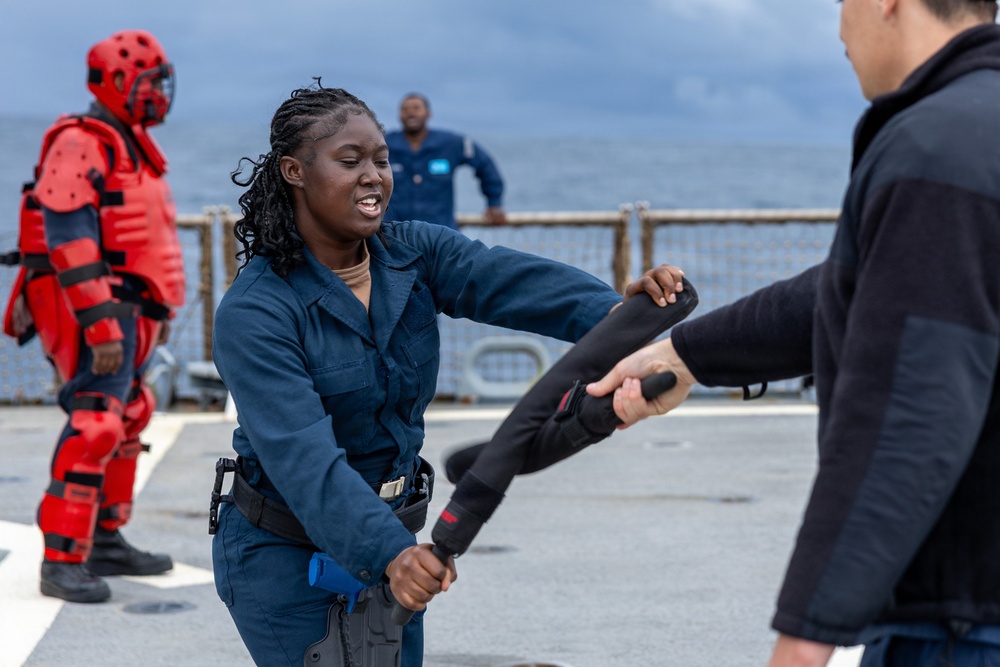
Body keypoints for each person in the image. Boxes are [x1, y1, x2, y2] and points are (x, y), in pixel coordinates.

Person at [209, 82, 684, 667]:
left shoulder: (413, 254)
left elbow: (506, 280)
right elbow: (304, 460)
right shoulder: (256, 312)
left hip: (393, 544)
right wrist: (392, 554)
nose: (374, 177)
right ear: (294, 172)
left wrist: (617, 317)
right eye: (350, 161)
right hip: (286, 557)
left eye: (381, 161)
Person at [588, 1, 1000, 666]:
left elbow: (908, 408)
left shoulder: (937, 145)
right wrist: (685, 354)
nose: (839, 26)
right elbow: (863, 289)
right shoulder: (978, 128)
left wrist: (807, 636)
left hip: (961, 620)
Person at [0, 29, 183, 603]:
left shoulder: (128, 143)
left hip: (131, 307)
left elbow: (142, 237)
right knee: (96, 422)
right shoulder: (80, 142)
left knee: (130, 414)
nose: (159, 94)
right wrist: (102, 324)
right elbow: (69, 240)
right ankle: (60, 560)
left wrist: (157, 308)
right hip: (95, 309)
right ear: (119, 82)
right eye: (149, 83)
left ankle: (104, 541)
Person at [384, 93, 507, 230]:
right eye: (405, 109)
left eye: (416, 108)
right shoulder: (385, 144)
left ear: (428, 114)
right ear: (399, 115)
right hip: (395, 233)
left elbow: (485, 165)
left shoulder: (450, 143)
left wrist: (494, 203)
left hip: (441, 233)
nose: (410, 113)